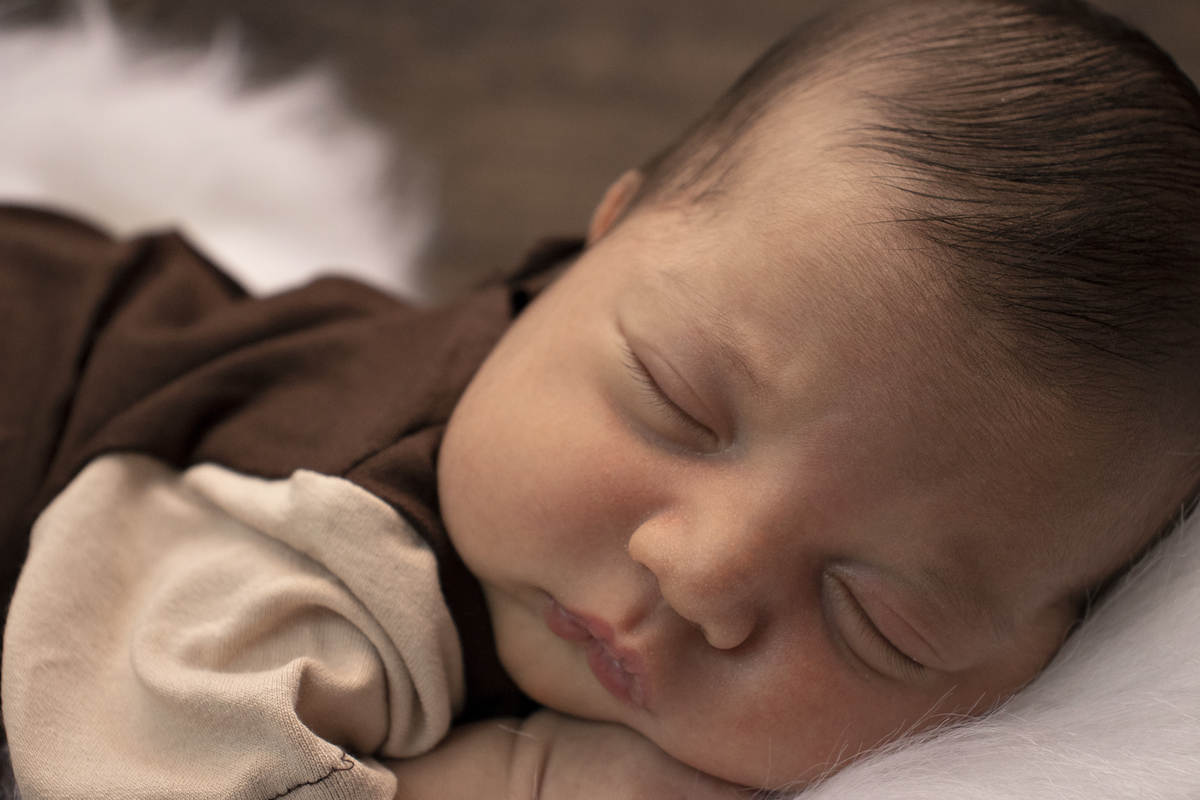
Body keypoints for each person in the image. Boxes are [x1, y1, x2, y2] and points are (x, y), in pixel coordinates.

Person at [3, 0, 1200, 796]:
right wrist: (528, 773)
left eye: (877, 616)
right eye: (675, 402)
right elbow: (130, 753)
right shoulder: (341, 519)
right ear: (597, 242)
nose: (700, 572)